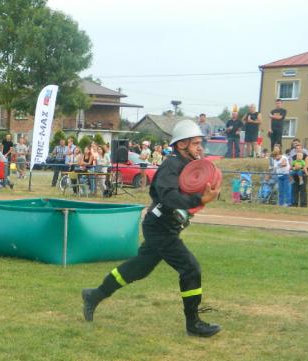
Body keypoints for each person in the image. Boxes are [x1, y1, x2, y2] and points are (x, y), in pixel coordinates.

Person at [80, 119, 222, 338]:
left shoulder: (188, 166)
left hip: (167, 226)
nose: (200, 148)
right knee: (190, 268)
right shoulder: (172, 165)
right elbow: (169, 197)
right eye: (195, 143)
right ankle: (193, 323)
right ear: (181, 144)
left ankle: (94, 295)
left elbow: (196, 189)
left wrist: (207, 193)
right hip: (159, 227)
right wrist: (199, 199)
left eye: (199, 143)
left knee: (139, 268)